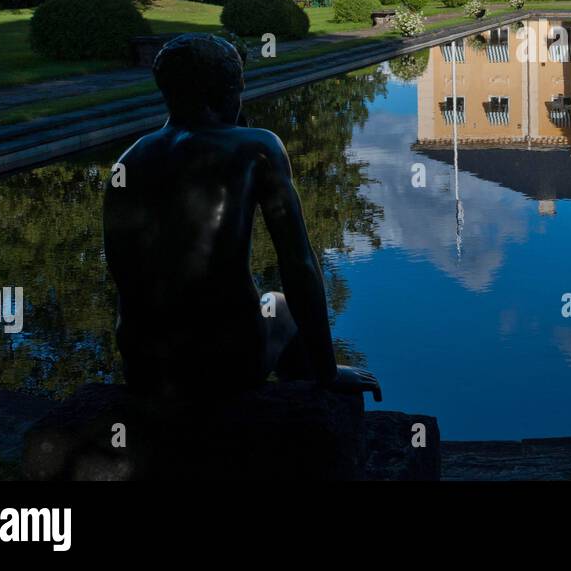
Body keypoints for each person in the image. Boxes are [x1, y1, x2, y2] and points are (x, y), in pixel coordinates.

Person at [102, 33, 378, 400]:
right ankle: (307, 407)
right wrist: (328, 368)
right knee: (279, 303)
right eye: (240, 88)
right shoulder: (257, 147)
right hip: (224, 360)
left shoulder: (129, 159)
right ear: (227, 91)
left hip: (146, 364)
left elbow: (123, 272)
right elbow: (298, 264)